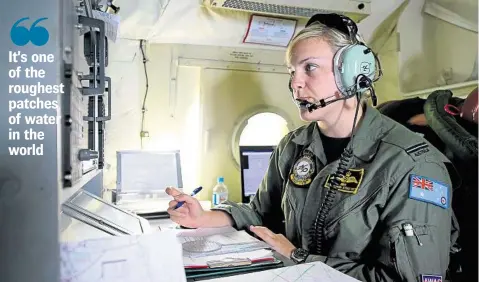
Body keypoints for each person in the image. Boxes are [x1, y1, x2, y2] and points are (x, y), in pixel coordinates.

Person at [166, 13, 457, 282]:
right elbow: (260, 214)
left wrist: (297, 257)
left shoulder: (412, 165)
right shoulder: (293, 146)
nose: (295, 84)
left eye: (310, 68)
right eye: (291, 71)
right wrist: (202, 217)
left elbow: (410, 278)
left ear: (354, 74)